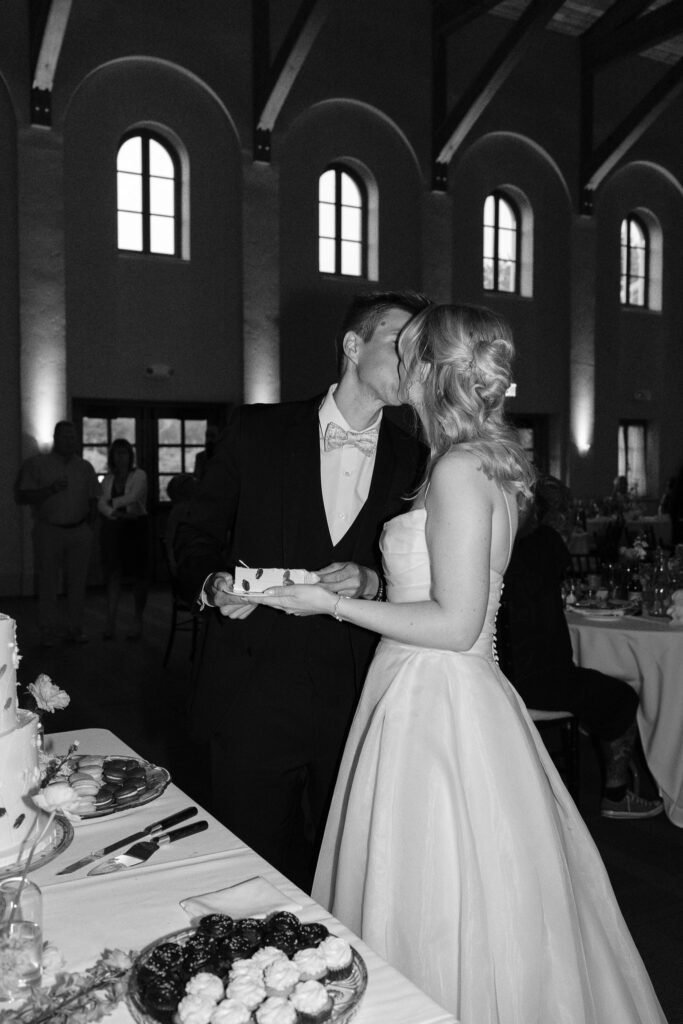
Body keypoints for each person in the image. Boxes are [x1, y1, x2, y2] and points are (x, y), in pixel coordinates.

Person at [251, 305, 667, 1023]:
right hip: (436, 688)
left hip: (435, 693)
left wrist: (330, 603)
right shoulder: (474, 461)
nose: (399, 365)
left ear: (432, 372)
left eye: (410, 352)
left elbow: (454, 623)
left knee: (432, 885)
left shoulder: (457, 468)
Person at [174, 290, 431, 891]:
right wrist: (213, 585)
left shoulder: (417, 458)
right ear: (352, 345)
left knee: (354, 874)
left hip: (363, 694)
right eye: (400, 343)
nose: (414, 360)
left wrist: (372, 580)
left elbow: (421, 573)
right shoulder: (257, 429)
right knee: (253, 873)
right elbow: (194, 534)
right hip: (253, 690)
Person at [497, 474, 663, 820]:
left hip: (501, 677)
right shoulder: (543, 544)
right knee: (623, 696)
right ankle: (617, 795)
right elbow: (560, 530)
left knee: (594, 684)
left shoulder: (499, 546)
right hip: (536, 681)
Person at [16, 420, 100, 646]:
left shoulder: (85, 467)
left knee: (77, 582)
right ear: (56, 438)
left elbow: (94, 498)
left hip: (79, 530)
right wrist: (49, 490)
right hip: (49, 530)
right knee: (48, 582)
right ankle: (48, 631)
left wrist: (89, 527)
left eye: (73, 436)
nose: (70, 440)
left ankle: (75, 628)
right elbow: (23, 496)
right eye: (65, 436)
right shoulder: (38, 465)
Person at [97, 438, 149, 640]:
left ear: (130, 456)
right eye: (117, 453)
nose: (121, 458)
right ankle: (110, 620)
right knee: (113, 573)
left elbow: (133, 497)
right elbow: (100, 503)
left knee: (139, 575)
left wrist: (111, 503)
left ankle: (138, 620)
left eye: (124, 453)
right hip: (115, 527)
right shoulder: (108, 479)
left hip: (137, 528)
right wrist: (115, 514)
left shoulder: (139, 475)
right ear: (112, 457)